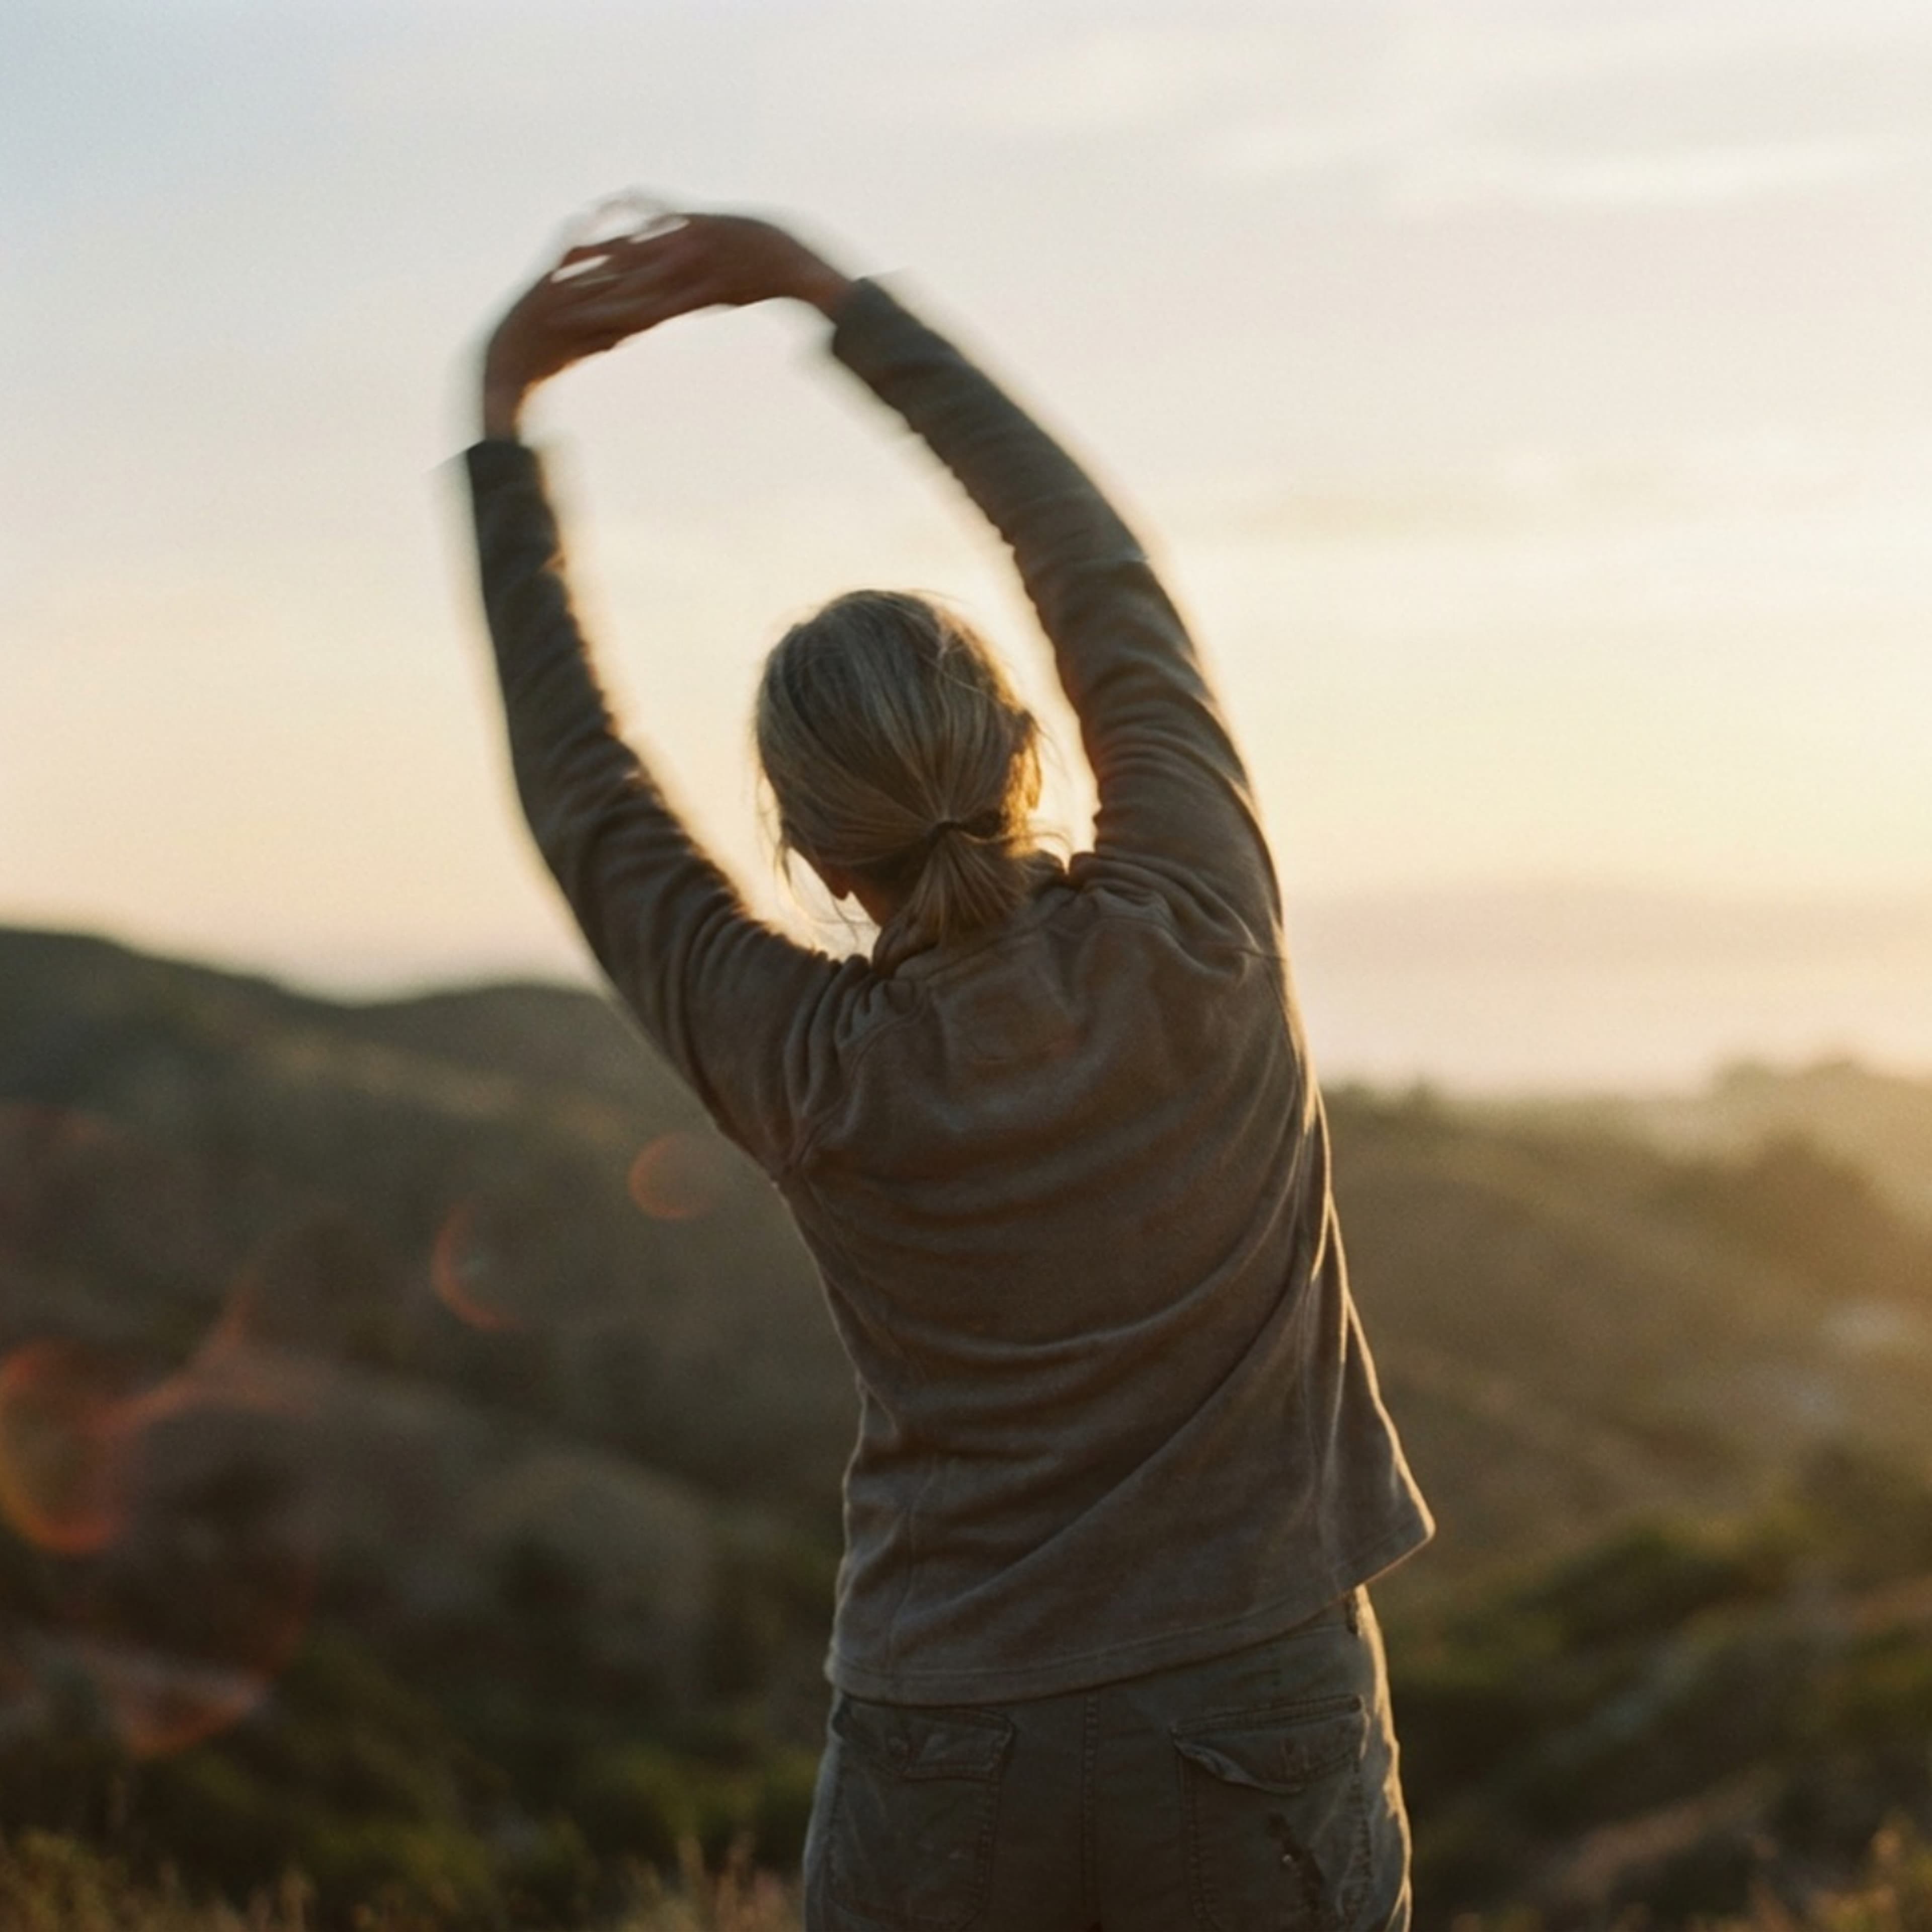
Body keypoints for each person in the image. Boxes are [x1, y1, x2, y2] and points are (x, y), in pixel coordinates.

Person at [464, 208, 1432, 1932]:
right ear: (1027, 753)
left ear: (815, 859)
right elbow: (1092, 566)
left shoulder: (803, 1063)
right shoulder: (1201, 925)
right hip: (1257, 1704)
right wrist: (830, 298)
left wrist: (503, 425)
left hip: (946, 1745)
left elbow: (584, 795)